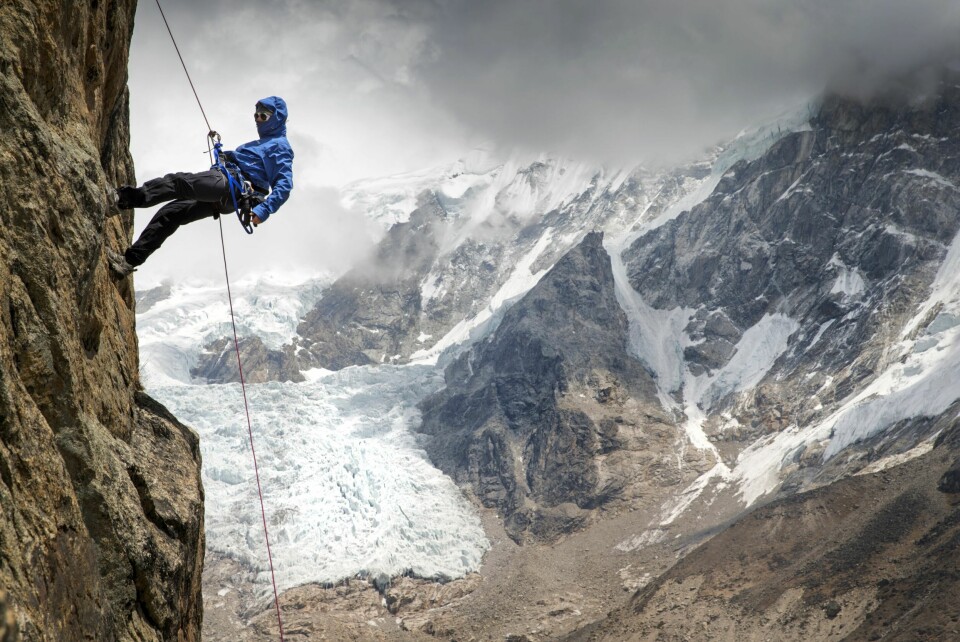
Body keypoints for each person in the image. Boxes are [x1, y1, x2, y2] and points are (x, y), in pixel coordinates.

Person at [107, 96, 294, 277]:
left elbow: (284, 185)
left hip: (230, 185)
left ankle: (121, 199)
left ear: (276, 119)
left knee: (178, 182)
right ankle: (129, 261)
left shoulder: (280, 147)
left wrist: (264, 210)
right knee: (172, 213)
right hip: (231, 196)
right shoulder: (262, 144)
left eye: (263, 116)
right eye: (256, 115)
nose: (258, 120)